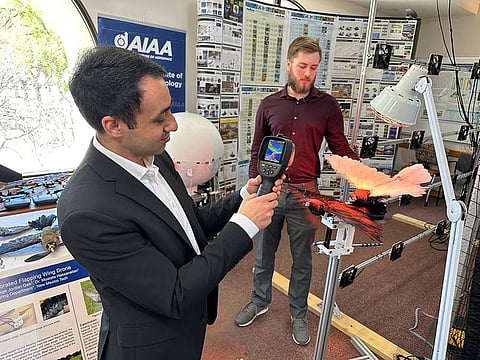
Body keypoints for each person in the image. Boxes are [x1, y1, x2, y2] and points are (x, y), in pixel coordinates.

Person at [57, 45, 283, 360]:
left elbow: (189, 224)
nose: (173, 125)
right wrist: (245, 225)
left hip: (188, 332)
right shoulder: (87, 212)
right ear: (114, 126)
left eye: (170, 110)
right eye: (159, 118)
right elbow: (175, 293)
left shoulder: (156, 156)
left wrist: (243, 198)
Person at [234, 36, 360, 346]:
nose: (307, 73)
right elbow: (257, 150)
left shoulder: (327, 106)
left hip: (306, 193)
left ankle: (298, 313)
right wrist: (254, 185)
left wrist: (364, 175)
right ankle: (260, 301)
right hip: (270, 190)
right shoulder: (269, 105)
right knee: (263, 252)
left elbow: (340, 147)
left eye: (314, 67)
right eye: (302, 66)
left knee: (302, 259)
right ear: (289, 64)